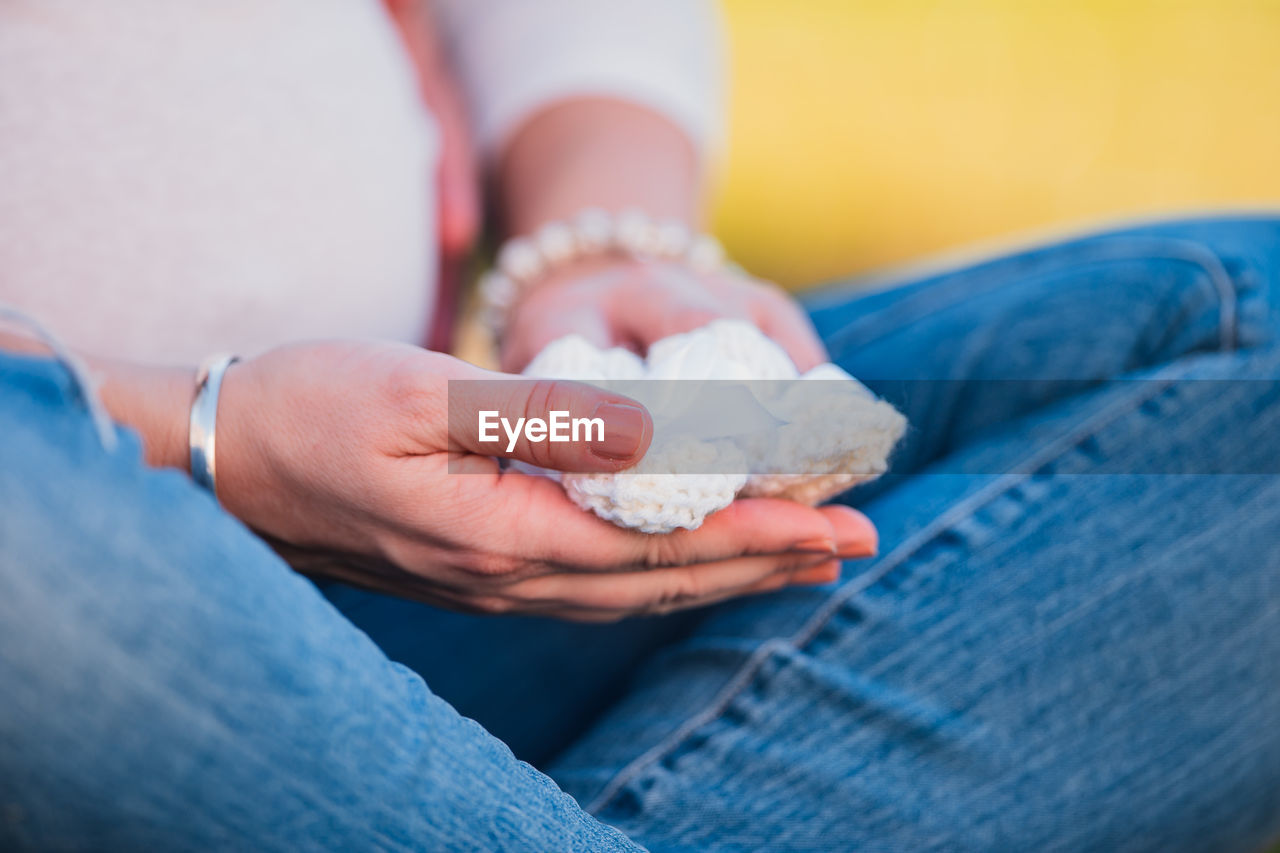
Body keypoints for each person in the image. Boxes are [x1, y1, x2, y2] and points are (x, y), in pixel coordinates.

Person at [0, 2, 1276, 851]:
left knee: (1250, 336)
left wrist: (597, 231)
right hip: (80, 547)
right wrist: (202, 430)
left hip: (425, 559)